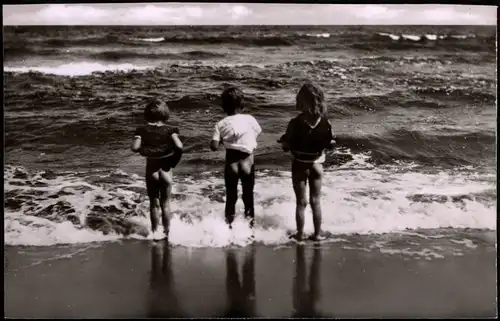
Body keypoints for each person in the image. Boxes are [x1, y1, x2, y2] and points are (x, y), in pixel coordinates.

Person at [278, 82, 335, 242]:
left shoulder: (295, 123)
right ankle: (317, 234)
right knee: (316, 201)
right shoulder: (326, 123)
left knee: (301, 202)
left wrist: (284, 143)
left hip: (299, 165)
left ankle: (300, 234)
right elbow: (330, 144)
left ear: (300, 101)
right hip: (316, 165)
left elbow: (287, 146)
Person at [131, 98, 184, 241]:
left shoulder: (141, 130)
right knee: (165, 204)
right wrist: (173, 159)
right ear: (166, 115)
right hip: (166, 171)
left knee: (154, 204)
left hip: (151, 172)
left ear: (147, 115)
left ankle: (155, 233)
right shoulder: (171, 130)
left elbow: (135, 148)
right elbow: (179, 146)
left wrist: (146, 149)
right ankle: (167, 234)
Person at [210, 87, 262, 229]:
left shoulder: (220, 124)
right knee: (248, 197)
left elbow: (214, 146)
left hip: (231, 165)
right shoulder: (250, 119)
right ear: (242, 104)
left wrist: (220, 140)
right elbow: (257, 132)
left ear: (223, 106)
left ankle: (229, 227)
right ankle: (250, 227)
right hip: (247, 163)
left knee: (231, 197)